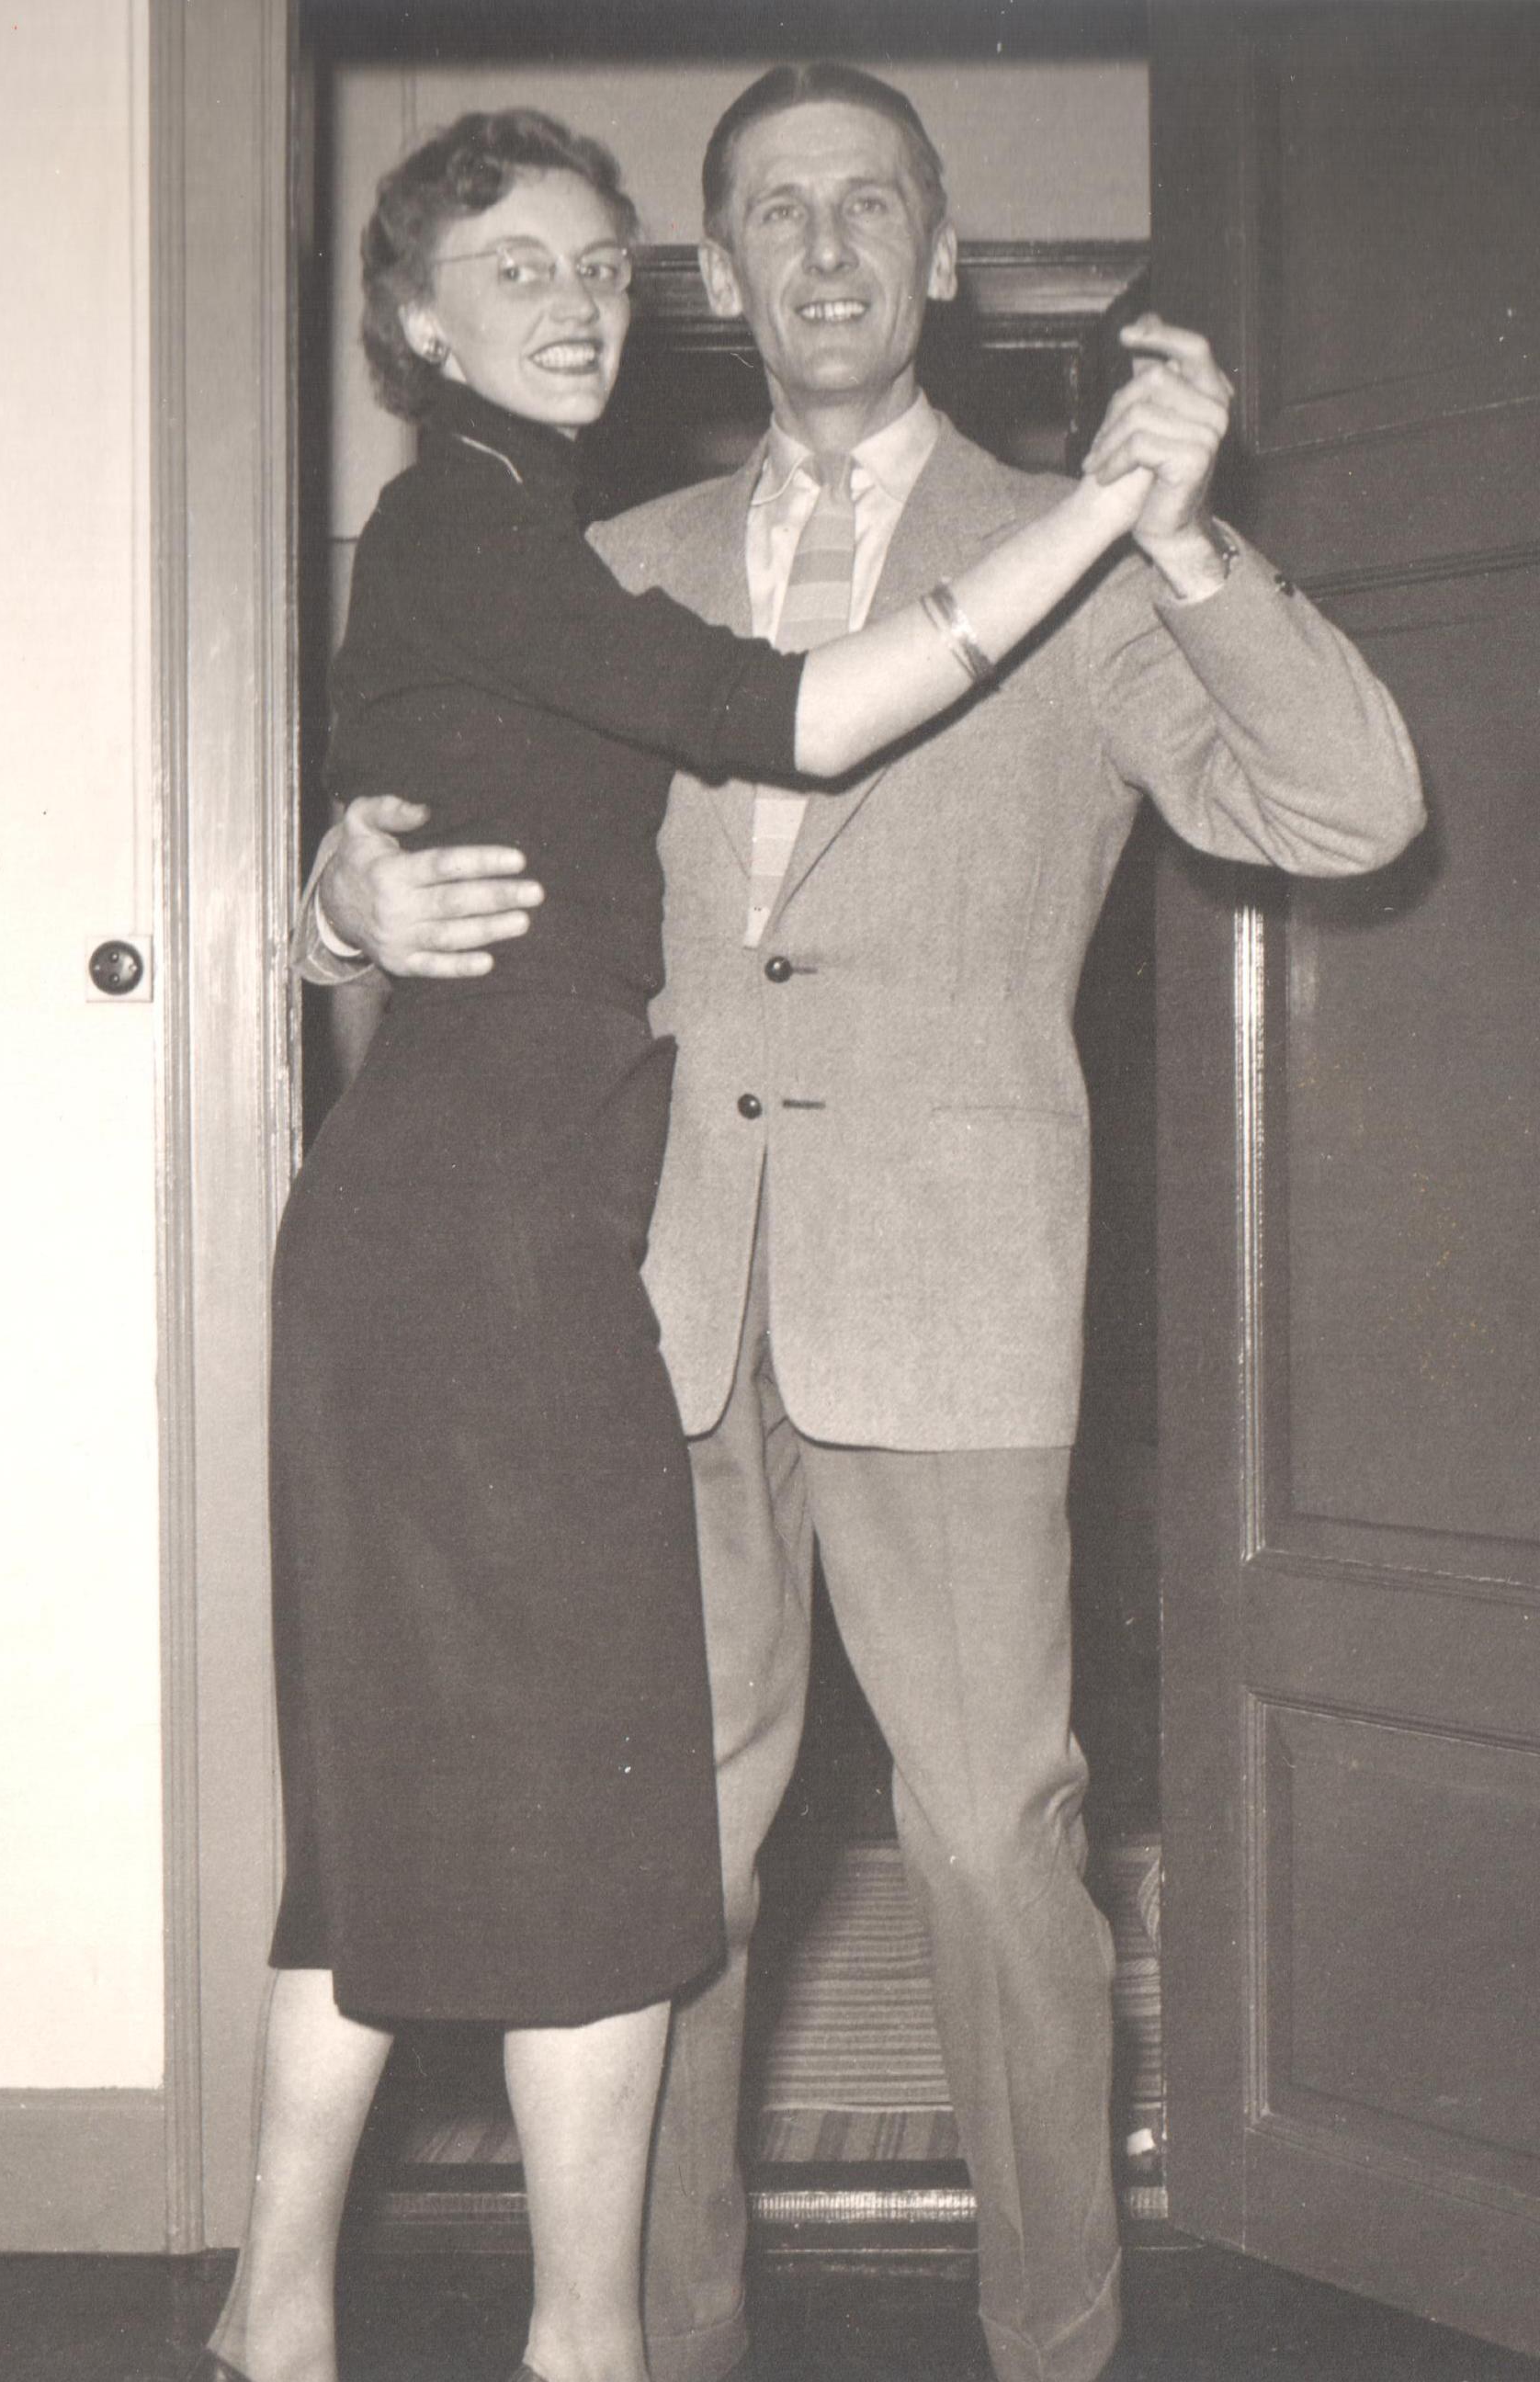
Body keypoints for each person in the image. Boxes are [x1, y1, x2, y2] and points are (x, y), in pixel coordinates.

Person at [302, 66, 1426, 2382]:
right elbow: (415, 826)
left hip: (952, 1287)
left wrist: (1185, 535)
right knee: (664, 1870)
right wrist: (331, 910)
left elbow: (1347, 811)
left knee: (997, 1850)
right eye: (774, 215)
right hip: (641, 1288)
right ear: (720, 274)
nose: (824, 250)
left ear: (942, 258)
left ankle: (1055, 2341)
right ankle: (669, 2338)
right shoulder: (602, 557)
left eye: (870, 208)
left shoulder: (1074, 548)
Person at [198, 101, 1161, 2382]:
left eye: (591, 265)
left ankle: (284, 2315)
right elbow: (788, 716)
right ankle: (590, 2345)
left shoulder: (514, 542)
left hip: (527, 1232)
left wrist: (343, 886)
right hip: (523, 1254)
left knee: (419, 1812)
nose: (568, 303)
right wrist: (1108, 500)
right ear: (417, 323)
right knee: (606, 1840)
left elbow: (441, 775)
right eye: (510, 270)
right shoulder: (496, 528)